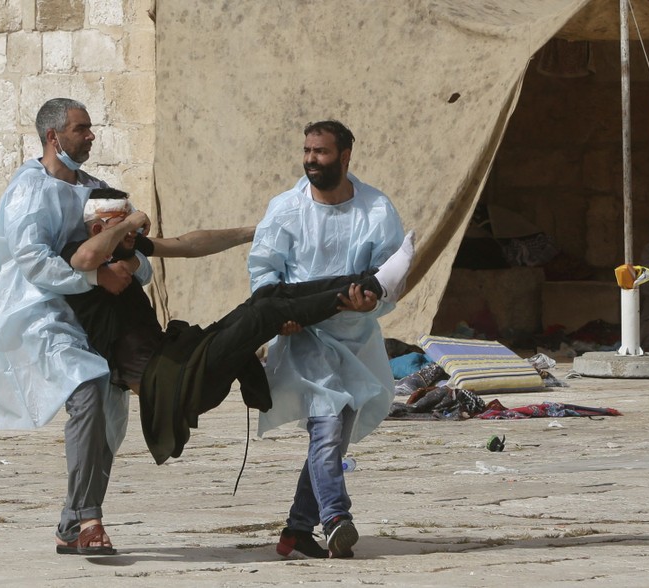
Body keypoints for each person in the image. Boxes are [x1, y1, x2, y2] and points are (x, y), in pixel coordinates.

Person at [64, 190, 415, 467]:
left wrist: (258, 231)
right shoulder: (82, 257)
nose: (135, 232)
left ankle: (371, 284)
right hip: (168, 382)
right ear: (98, 228)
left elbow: (188, 245)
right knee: (263, 315)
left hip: (179, 358)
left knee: (266, 299)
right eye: (122, 224)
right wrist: (127, 226)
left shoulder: (123, 250)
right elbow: (84, 259)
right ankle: (373, 286)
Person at [0, 98, 142, 557]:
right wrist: (93, 275)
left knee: (107, 411)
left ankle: (70, 521)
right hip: (33, 310)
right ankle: (88, 521)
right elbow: (32, 260)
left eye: (90, 127)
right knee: (88, 384)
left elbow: (131, 252)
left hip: (92, 314)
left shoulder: (98, 191)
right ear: (52, 137)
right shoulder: (28, 189)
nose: (91, 136)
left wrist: (129, 266)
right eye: (81, 129)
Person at [248, 120, 408, 559]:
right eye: (307, 151)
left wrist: (369, 304)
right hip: (306, 338)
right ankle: (336, 516)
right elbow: (263, 270)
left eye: (320, 152)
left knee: (334, 438)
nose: (311, 160)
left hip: (356, 338)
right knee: (327, 422)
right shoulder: (285, 208)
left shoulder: (376, 209)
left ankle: (297, 530)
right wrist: (280, 315)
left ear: (345, 155)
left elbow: (391, 275)